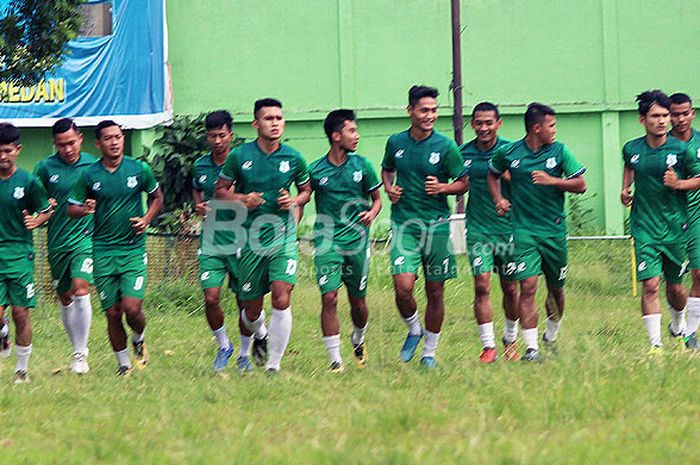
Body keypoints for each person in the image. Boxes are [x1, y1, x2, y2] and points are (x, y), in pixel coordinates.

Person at [215, 98, 311, 373]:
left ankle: (273, 365)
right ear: (256, 123)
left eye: (279, 118)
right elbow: (220, 192)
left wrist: (293, 200)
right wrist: (243, 198)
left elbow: (306, 191)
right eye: (269, 119)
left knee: (282, 297)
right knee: (251, 310)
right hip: (249, 240)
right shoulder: (239, 156)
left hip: (282, 237)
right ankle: (260, 333)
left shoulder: (294, 157)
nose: (275, 123)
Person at [487, 102, 587, 362]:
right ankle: (531, 349)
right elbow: (492, 173)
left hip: (553, 232)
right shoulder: (510, 153)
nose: (555, 130)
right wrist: (498, 198)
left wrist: (553, 180)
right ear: (536, 128)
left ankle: (550, 336)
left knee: (556, 291)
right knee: (528, 286)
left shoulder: (560, 151)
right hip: (523, 232)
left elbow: (581, 184)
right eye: (551, 125)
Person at [381, 85, 468, 368]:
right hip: (404, 224)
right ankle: (414, 329)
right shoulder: (396, 142)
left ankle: (429, 351)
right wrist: (389, 187)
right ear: (410, 111)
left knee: (435, 291)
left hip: (437, 226)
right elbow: (387, 169)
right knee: (403, 286)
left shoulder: (446, 146)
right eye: (424, 110)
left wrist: (443, 187)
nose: (430, 115)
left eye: (433, 110)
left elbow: (463, 183)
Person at [68, 120, 164, 376]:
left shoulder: (138, 169)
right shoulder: (89, 175)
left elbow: (157, 197)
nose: (114, 142)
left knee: (131, 308)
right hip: (102, 250)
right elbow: (71, 208)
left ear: (123, 139)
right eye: (108, 138)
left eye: (118, 137)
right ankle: (123, 365)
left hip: (132, 249)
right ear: (98, 143)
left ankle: (139, 336)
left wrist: (146, 219)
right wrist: (84, 209)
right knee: (112, 313)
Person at [621, 90, 700, 352]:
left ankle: (678, 325)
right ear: (642, 119)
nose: (663, 120)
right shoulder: (631, 148)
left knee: (676, 289)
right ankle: (655, 345)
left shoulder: (680, 150)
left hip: (675, 226)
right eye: (656, 116)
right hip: (644, 225)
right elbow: (630, 166)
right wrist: (625, 189)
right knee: (651, 284)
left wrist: (679, 184)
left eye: (665, 115)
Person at [193, 110, 268, 372]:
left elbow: (254, 198)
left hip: (240, 238)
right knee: (211, 297)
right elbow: (198, 191)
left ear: (230, 135)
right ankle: (224, 345)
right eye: (212, 136)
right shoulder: (200, 166)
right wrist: (199, 207)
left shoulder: (242, 163)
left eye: (222, 135)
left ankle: (246, 352)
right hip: (211, 240)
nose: (217, 141)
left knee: (245, 303)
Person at [308, 109, 382, 372]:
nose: (357, 136)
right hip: (327, 241)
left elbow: (377, 199)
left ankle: (358, 338)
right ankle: (335, 360)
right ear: (336, 135)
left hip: (357, 241)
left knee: (358, 302)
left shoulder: (363, 166)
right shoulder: (315, 170)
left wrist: (372, 213)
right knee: (329, 298)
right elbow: (303, 196)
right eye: (352, 131)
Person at [34, 118, 97, 374]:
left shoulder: (93, 165)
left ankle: (80, 355)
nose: (68, 149)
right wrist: (42, 206)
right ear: (54, 144)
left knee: (81, 289)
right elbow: (35, 200)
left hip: (85, 238)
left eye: (71, 142)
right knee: (65, 296)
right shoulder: (45, 168)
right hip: (57, 241)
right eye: (62, 145)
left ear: (80, 138)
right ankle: (77, 349)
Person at [460, 102, 520, 363]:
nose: (483, 128)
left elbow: (528, 186)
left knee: (511, 288)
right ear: (472, 124)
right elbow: (457, 184)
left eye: (488, 123)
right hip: (478, 229)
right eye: (479, 123)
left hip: (508, 229)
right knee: (481, 285)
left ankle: (511, 339)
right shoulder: (463, 153)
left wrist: (510, 179)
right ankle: (488, 346)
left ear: (499, 123)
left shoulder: (512, 151)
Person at [0, 122, 52, 383]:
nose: (2, 156)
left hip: (20, 254)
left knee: (21, 313)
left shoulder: (29, 182)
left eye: (8, 150)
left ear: (17, 150)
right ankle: (2, 330)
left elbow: (45, 210)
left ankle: (22, 370)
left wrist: (37, 221)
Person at [669, 92, 700, 349]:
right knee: (674, 282)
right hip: (668, 219)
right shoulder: (660, 144)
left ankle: (691, 334)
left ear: (692, 113)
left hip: (697, 216)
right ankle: (677, 322)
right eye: (675, 114)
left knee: (699, 273)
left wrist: (680, 184)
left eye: (685, 113)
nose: (680, 119)